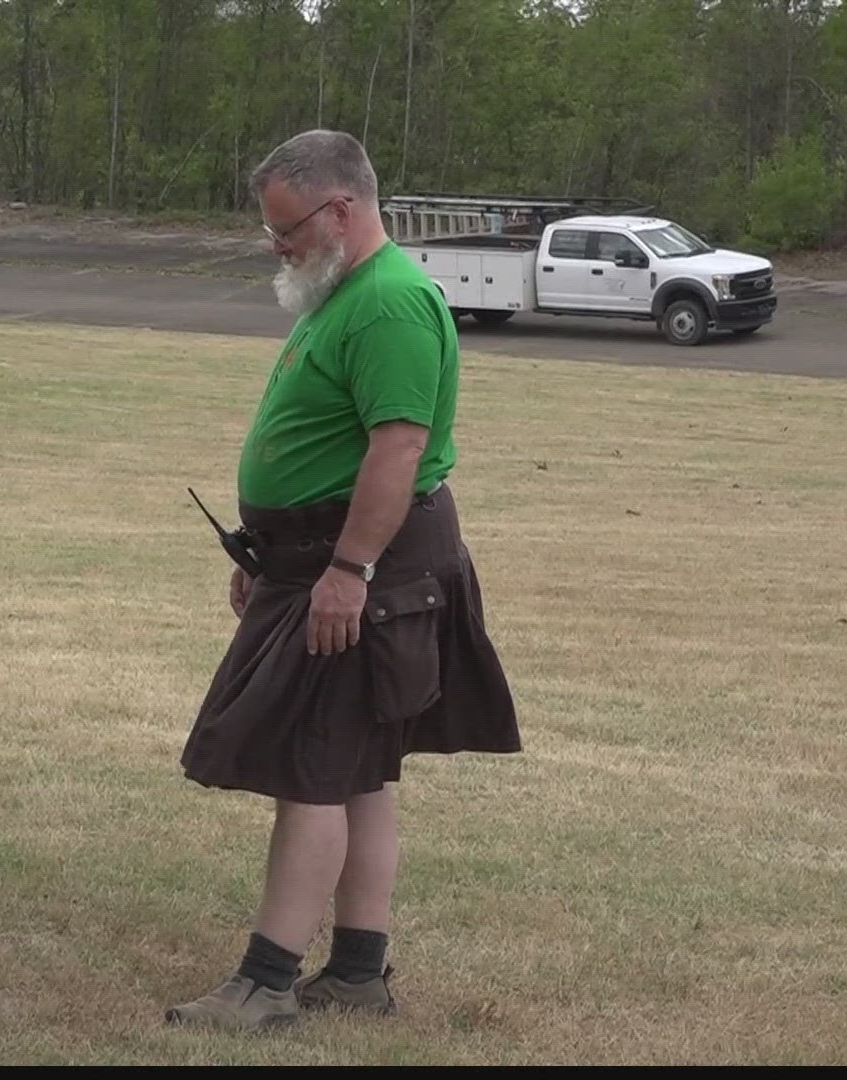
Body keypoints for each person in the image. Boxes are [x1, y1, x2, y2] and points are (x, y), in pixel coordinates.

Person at [166, 131, 521, 1031]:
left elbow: (397, 447)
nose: (275, 244)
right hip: (323, 562)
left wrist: (345, 572)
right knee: (361, 774)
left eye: (284, 227)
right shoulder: (345, 293)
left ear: (340, 210)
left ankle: (265, 984)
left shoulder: (391, 304)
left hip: (370, 568)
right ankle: (358, 974)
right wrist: (270, 555)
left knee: (313, 773)